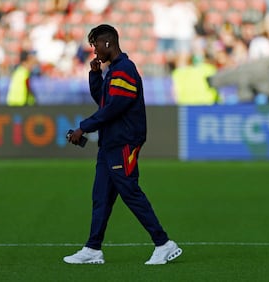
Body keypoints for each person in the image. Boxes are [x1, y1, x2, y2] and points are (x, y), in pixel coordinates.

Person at [64, 24, 182, 265]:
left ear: (108, 43)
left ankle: (164, 243)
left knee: (130, 192)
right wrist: (95, 75)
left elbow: (114, 108)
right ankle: (93, 248)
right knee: (101, 197)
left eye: (95, 44)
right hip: (110, 144)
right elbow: (104, 101)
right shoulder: (114, 71)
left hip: (123, 143)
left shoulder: (125, 70)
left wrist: (83, 127)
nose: (94, 50)